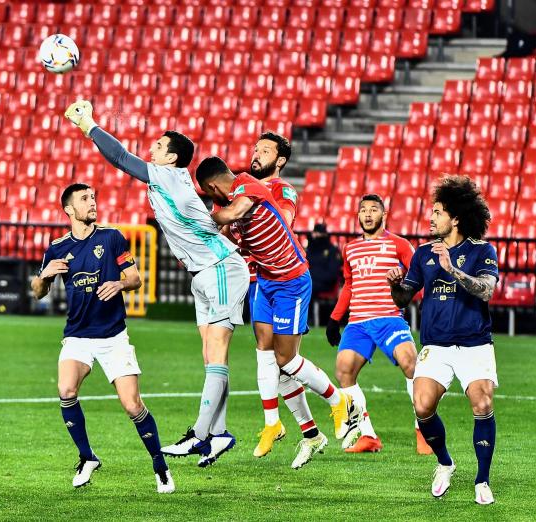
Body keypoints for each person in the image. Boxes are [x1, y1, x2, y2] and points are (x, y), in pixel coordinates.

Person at [64, 100, 249, 467]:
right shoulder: (170, 180)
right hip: (203, 274)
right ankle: (219, 433)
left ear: (172, 158)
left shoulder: (167, 176)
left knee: (215, 352)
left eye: (160, 146)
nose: (153, 148)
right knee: (212, 356)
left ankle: (199, 435)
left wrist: (89, 126)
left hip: (221, 268)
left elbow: (120, 158)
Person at [196, 157, 361, 469]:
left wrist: (201, 220)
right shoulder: (230, 204)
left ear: (212, 186)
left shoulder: (247, 186)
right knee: (265, 353)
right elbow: (230, 235)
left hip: (291, 281)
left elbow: (231, 213)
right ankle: (274, 423)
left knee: (286, 359)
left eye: (208, 194)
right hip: (265, 281)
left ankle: (339, 400)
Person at [31, 183, 175, 493]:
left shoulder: (111, 238)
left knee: (132, 405)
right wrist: (44, 275)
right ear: (69, 209)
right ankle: (87, 457)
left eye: (93, 197)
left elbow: (135, 278)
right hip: (77, 335)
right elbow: (39, 292)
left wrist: (119, 284)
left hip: (113, 336)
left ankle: (160, 465)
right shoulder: (57, 248)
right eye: (84, 199)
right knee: (66, 389)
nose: (92, 202)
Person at [388, 175, 499, 504]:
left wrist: (452, 270)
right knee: (422, 406)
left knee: (483, 404)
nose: (431, 217)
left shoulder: (482, 250)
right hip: (435, 345)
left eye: (438, 212)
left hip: (474, 343)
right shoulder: (423, 254)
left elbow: (486, 290)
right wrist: (395, 285)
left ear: (456, 218)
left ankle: (482, 480)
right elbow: (404, 298)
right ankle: (445, 463)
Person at [326, 194, 432, 454]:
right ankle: (368, 435)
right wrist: (335, 318)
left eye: (374, 209)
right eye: (363, 210)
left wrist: (425, 302)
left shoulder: (399, 244)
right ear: (358, 216)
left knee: (411, 364)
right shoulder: (350, 249)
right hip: (358, 322)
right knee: (344, 371)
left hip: (389, 318)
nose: (368, 214)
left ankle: (423, 431)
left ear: (384, 215)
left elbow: (418, 275)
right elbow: (349, 285)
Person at [244, 133, 324, 467]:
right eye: (255, 149)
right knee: (274, 362)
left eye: (265, 150)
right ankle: (311, 434)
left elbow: (284, 221)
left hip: (284, 279)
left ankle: (348, 408)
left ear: (280, 160)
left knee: (285, 359)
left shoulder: (282, 190)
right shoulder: (243, 188)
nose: (256, 154)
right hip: (257, 280)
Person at [305, 223, 342, 300]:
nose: (315, 236)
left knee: (307, 287)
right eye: (315, 233)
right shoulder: (309, 250)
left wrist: (312, 277)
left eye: (318, 234)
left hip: (325, 284)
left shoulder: (332, 250)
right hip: (310, 281)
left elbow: (332, 274)